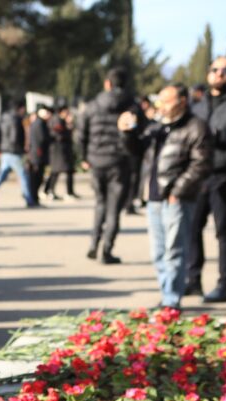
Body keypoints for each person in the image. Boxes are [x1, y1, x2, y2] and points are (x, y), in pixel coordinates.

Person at [122, 84, 211, 309]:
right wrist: (127, 132)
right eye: (159, 100)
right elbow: (137, 150)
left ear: (182, 101)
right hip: (154, 197)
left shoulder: (196, 126)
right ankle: (167, 296)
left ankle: (171, 301)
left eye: (167, 101)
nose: (161, 105)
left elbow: (201, 164)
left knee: (175, 251)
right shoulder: (158, 126)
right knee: (158, 252)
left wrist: (178, 191)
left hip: (177, 198)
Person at [186, 55, 226, 303]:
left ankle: (224, 285)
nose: (219, 74)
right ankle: (193, 280)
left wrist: (215, 135)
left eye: (225, 70)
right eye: (215, 69)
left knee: (223, 229)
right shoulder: (198, 106)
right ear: (208, 74)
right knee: (193, 227)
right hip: (200, 174)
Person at [78, 67, 138, 264]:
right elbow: (137, 135)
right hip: (119, 163)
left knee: (100, 204)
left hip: (97, 161)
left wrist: (84, 157)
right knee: (114, 209)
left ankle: (93, 244)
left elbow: (81, 134)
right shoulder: (131, 106)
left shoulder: (92, 106)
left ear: (107, 83)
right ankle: (106, 249)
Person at [0, 99, 35, 207]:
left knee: (1, 176)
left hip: (5, 151)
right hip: (14, 152)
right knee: (23, 176)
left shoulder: (4, 118)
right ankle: (29, 199)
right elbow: (14, 137)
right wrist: (22, 150)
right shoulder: (16, 119)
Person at [43, 105, 76, 201]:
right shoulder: (57, 121)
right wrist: (69, 127)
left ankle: (51, 191)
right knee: (56, 172)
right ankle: (50, 191)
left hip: (60, 150)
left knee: (60, 171)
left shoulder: (59, 120)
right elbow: (58, 135)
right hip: (58, 151)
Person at [28, 104, 52, 206]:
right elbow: (41, 139)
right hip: (37, 155)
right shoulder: (39, 124)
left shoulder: (40, 123)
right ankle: (33, 198)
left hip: (38, 154)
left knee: (38, 177)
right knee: (36, 178)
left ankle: (35, 198)